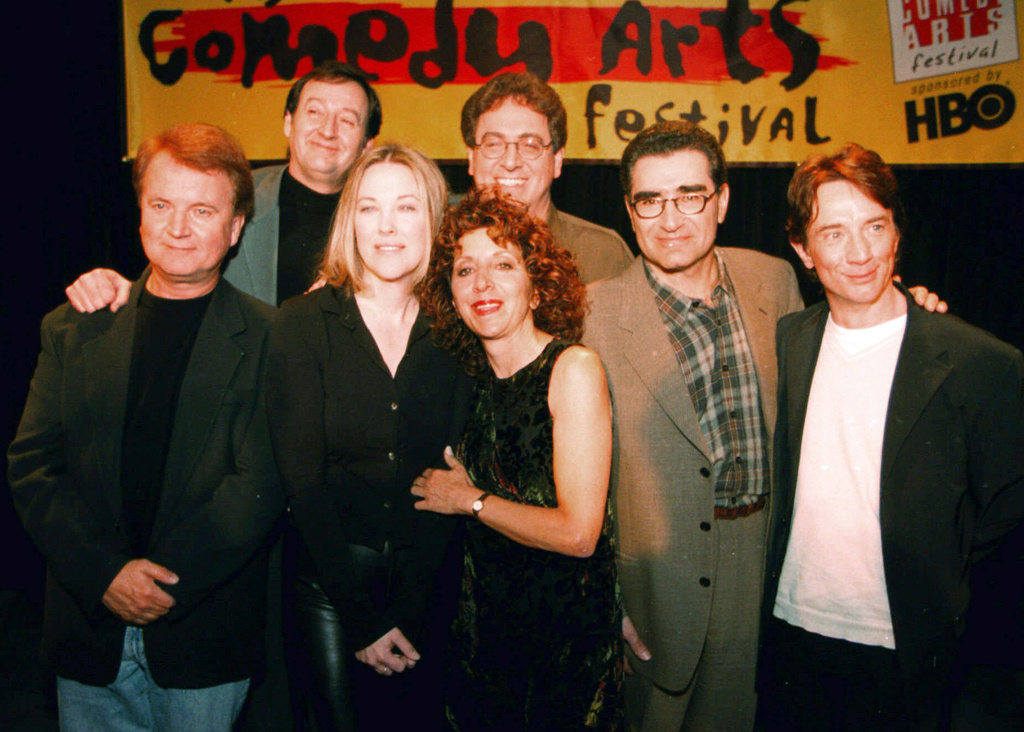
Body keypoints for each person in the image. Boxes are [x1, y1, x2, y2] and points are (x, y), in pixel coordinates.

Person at [6, 122, 284, 731]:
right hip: (86, 623)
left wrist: (159, 586)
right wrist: (104, 573)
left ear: (235, 228)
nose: (178, 227)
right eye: (161, 204)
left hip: (203, 630)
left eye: (202, 209)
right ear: (139, 212)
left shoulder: (272, 339)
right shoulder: (72, 326)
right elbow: (32, 466)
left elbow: (257, 486)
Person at [757, 143, 1024, 732]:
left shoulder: (978, 360)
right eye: (833, 234)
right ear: (802, 250)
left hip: (904, 650)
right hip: (789, 634)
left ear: (897, 234)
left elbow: (1007, 508)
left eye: (874, 226)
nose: (859, 254)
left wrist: (943, 572)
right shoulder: (788, 339)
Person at [264, 143, 474, 731]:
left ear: (433, 220)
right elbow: (301, 484)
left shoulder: (459, 329)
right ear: (348, 220)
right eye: (369, 207)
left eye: (406, 208)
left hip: (428, 582)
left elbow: (449, 477)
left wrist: (406, 610)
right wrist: (363, 621)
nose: (386, 226)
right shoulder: (301, 324)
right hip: (329, 589)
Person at [412, 189, 623, 730]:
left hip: (562, 651)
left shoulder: (572, 369)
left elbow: (580, 534)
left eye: (503, 265)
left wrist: (469, 501)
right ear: (450, 293)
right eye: (465, 270)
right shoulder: (471, 382)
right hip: (481, 644)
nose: (482, 284)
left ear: (536, 287)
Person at [66, 60, 381, 309]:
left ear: (367, 143)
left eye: (347, 120)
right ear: (288, 122)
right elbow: (173, 270)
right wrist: (117, 290)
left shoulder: (387, 219)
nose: (327, 130)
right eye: (314, 112)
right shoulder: (228, 194)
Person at [461, 72, 634, 283]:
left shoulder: (601, 255)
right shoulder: (440, 251)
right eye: (494, 144)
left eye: (530, 145)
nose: (511, 162)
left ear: (557, 161)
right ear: (472, 158)